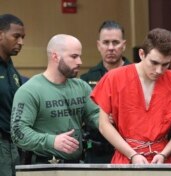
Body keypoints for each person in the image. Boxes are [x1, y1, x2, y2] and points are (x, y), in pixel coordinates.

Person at [91, 28, 171, 164]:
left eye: (165, 64)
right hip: (125, 157)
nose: (159, 70)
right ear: (141, 54)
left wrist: (164, 153)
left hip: (161, 158)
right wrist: (132, 154)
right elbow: (103, 124)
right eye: (154, 63)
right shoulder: (114, 78)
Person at [11, 34, 99, 164]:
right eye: (74, 56)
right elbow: (18, 132)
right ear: (55, 56)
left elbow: (96, 116)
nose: (80, 62)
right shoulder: (30, 90)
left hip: (77, 165)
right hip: (42, 166)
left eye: (79, 56)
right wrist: (52, 141)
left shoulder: (81, 87)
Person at [80, 20, 130, 163]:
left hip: (130, 148)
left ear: (124, 45)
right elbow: (82, 114)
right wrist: (98, 118)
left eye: (115, 42)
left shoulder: (136, 74)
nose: (110, 48)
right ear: (98, 45)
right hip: (97, 150)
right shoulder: (87, 79)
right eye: (106, 42)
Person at [0, 14, 25, 176]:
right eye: (16, 36)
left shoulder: (11, 68)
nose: (21, 42)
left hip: (12, 144)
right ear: (1, 35)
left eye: (23, 37)